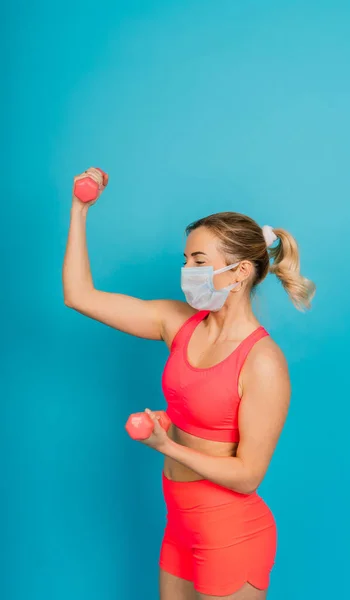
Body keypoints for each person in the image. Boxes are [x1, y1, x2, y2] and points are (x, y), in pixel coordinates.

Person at [63, 168, 316, 600]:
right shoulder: (176, 322)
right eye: (185, 260)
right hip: (179, 526)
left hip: (232, 532)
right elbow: (79, 296)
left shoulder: (263, 362)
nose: (187, 271)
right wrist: (80, 210)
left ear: (238, 272)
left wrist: (167, 446)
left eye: (199, 262)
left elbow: (247, 476)